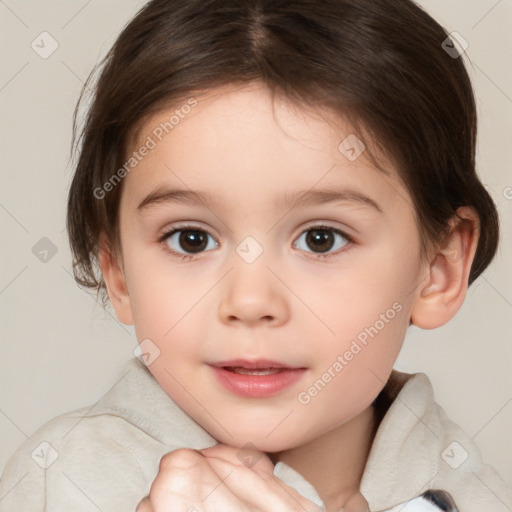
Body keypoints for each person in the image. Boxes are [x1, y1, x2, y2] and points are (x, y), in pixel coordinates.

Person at [0, 0, 510, 511]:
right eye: (191, 239)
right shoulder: (57, 485)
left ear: (439, 269)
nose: (249, 301)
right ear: (117, 270)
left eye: (321, 239)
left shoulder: (480, 497)